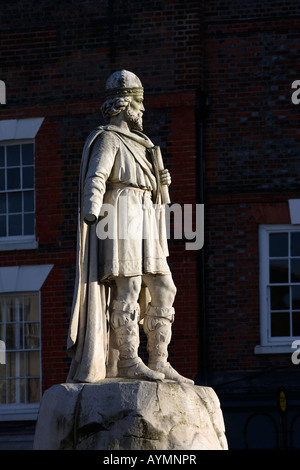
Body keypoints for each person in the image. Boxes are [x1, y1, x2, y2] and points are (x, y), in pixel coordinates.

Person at [67, 70, 193, 384]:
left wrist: (159, 182)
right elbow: (96, 177)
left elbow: (155, 191)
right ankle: (127, 361)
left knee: (165, 287)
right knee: (130, 286)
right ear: (124, 105)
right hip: (120, 213)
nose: (143, 110)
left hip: (145, 213)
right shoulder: (108, 138)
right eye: (139, 103)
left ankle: (160, 361)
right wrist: (91, 211)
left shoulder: (145, 143)